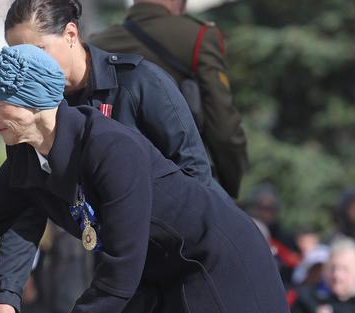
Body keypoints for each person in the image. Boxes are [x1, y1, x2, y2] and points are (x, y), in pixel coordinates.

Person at [0, 44, 300, 313]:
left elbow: (123, 263)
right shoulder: (24, 158)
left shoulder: (109, 147)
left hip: (212, 265)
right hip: (154, 275)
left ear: (33, 103)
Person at [0, 0, 231, 313]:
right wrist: (6, 296)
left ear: (71, 34)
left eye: (36, 51)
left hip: (188, 267)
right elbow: (26, 205)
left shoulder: (139, 83)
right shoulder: (32, 114)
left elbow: (196, 177)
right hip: (119, 282)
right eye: (16, 55)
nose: (25, 66)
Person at [90, 0, 248, 198]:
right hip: (184, 178)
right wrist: (230, 183)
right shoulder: (197, 36)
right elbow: (223, 126)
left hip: (113, 180)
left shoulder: (98, 44)